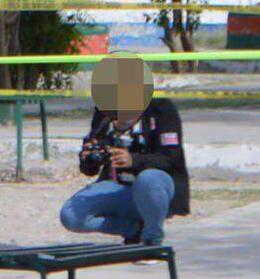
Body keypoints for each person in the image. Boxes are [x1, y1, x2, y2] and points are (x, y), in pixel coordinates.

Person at [59, 98, 190, 246]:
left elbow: (171, 159)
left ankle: (152, 238)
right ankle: (134, 231)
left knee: (147, 179)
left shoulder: (160, 109)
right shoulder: (104, 112)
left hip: (155, 191)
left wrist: (133, 160)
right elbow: (90, 169)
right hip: (118, 188)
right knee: (71, 216)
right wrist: (89, 158)